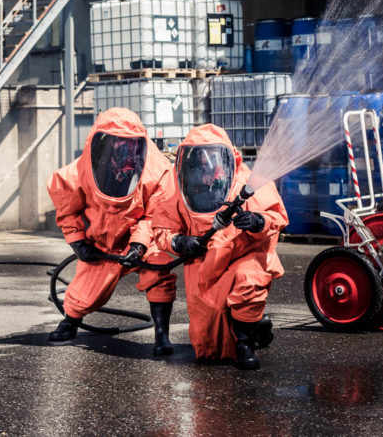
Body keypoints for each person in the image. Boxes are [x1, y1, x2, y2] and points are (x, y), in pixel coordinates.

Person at [152, 123, 287, 369]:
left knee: (249, 280)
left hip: (243, 255)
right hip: (203, 265)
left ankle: (245, 343)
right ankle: (257, 327)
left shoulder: (249, 180)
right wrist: (179, 242)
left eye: (212, 156)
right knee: (208, 349)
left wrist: (258, 221)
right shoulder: (179, 186)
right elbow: (162, 229)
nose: (206, 163)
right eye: (199, 158)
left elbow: (276, 216)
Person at [47, 107, 177, 356]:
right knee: (84, 295)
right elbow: (67, 210)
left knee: (158, 269)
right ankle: (71, 321)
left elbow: (155, 214)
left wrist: (138, 245)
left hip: (141, 238)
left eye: (127, 143)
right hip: (101, 243)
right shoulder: (78, 172)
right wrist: (78, 243)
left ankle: (162, 335)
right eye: (115, 142)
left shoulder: (156, 169)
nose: (122, 148)